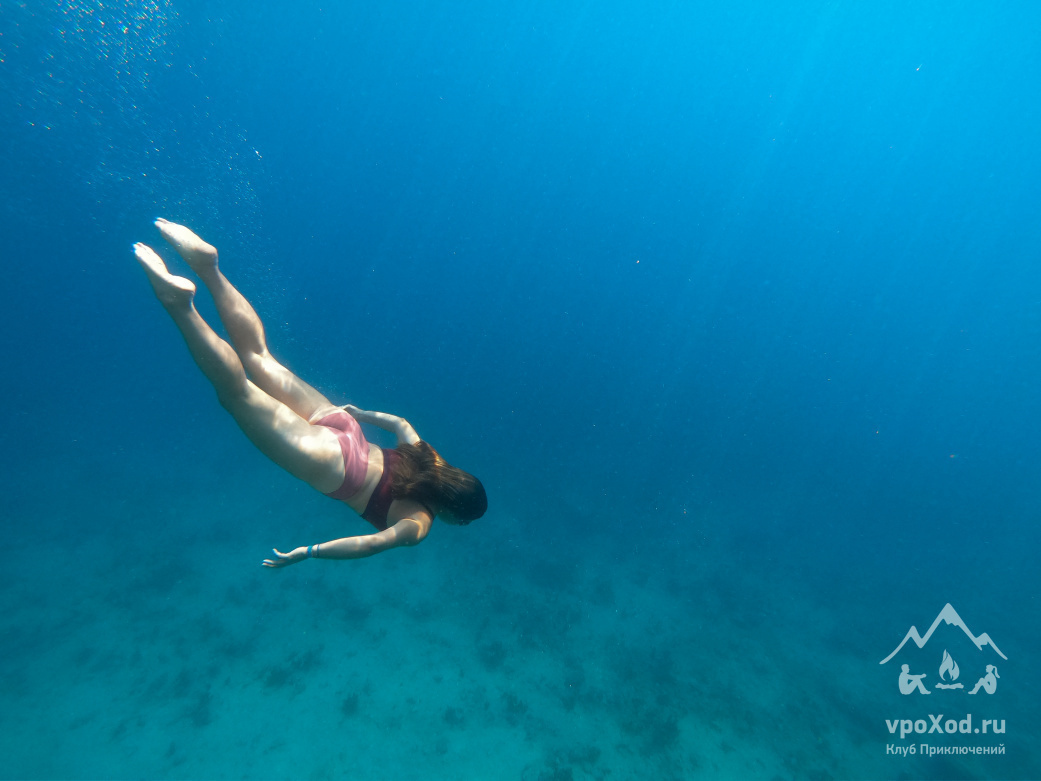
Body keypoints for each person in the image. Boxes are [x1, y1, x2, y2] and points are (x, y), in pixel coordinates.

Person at [133, 219, 486, 567]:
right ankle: (180, 305)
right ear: (456, 513)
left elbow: (400, 423)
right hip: (332, 464)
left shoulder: (430, 459)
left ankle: (208, 267)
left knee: (259, 356)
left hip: (345, 427)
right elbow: (369, 544)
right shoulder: (419, 525)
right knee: (236, 393)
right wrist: (309, 552)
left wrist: (359, 414)